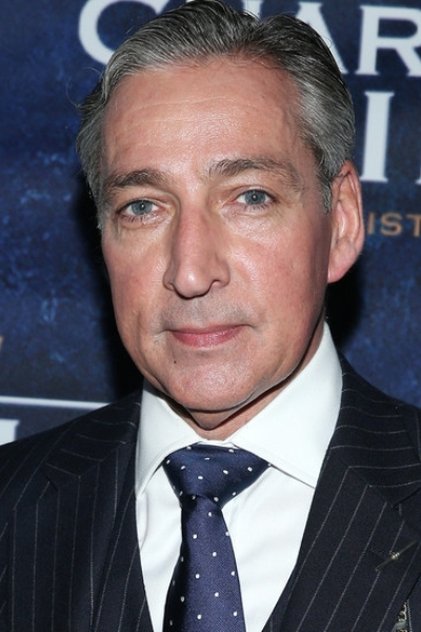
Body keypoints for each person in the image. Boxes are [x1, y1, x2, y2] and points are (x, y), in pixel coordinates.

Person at [1, 1, 420, 630]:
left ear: (340, 223)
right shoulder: (12, 507)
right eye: (143, 206)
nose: (191, 272)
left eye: (250, 197)